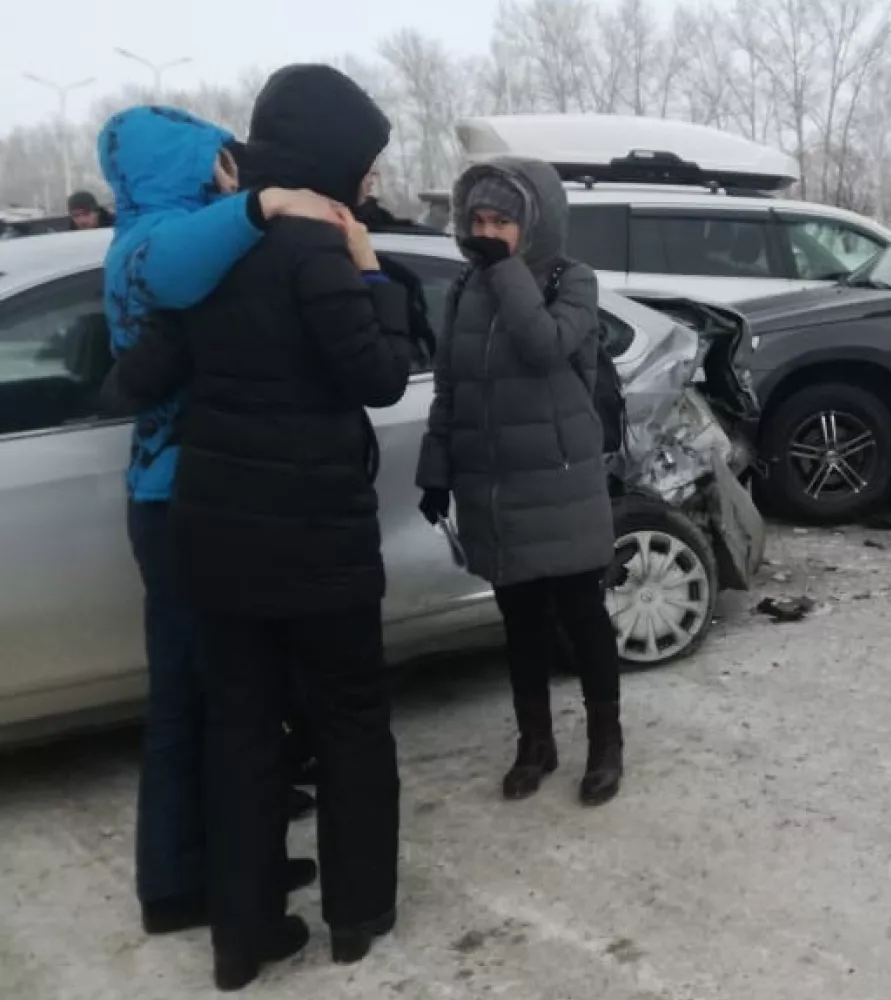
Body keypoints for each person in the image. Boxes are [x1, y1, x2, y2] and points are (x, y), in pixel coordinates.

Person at [145, 64, 412, 990]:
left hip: (216, 541)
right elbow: (378, 376)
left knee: (241, 730)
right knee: (348, 722)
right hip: (320, 545)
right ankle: (357, 912)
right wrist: (373, 271)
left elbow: (144, 369)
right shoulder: (322, 255)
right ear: (331, 157)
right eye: (365, 165)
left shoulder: (212, 252)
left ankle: (241, 938)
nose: (369, 184)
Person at [96, 104, 351, 938]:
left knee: (196, 698)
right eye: (218, 158)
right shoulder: (157, 242)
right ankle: (215, 883)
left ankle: (187, 879)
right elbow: (177, 274)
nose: (230, 168)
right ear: (191, 165)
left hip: (166, 494)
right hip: (183, 500)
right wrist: (265, 207)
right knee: (217, 702)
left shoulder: (140, 230)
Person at [414, 156, 624, 808]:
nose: (486, 231)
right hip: (494, 484)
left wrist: (505, 270)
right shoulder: (463, 290)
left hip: (559, 482)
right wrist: (437, 470)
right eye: (477, 218)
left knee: (583, 619)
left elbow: (543, 346)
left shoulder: (573, 281)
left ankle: (606, 743)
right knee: (521, 624)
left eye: (501, 220)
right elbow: (452, 385)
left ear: (533, 223)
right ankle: (536, 743)